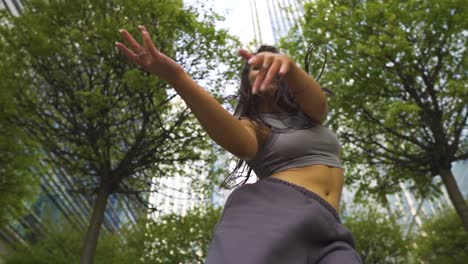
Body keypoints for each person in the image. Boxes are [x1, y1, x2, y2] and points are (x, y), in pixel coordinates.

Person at [116, 25, 362, 264]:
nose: (267, 69)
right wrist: (177, 77)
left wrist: (291, 68)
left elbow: (318, 103)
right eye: (256, 68)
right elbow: (242, 145)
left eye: (273, 65)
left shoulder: (310, 114)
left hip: (330, 229)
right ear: (248, 83)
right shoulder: (255, 125)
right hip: (272, 211)